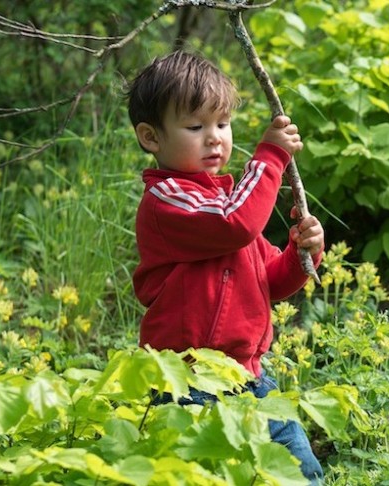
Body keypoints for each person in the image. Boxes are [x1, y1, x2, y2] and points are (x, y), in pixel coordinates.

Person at [127, 50, 325, 483]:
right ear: (151, 137)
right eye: (195, 127)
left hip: (250, 377)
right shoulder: (168, 201)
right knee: (197, 475)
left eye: (222, 123)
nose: (214, 137)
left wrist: (301, 252)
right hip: (186, 382)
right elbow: (235, 224)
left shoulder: (226, 203)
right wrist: (270, 158)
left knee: (299, 471)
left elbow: (271, 281)